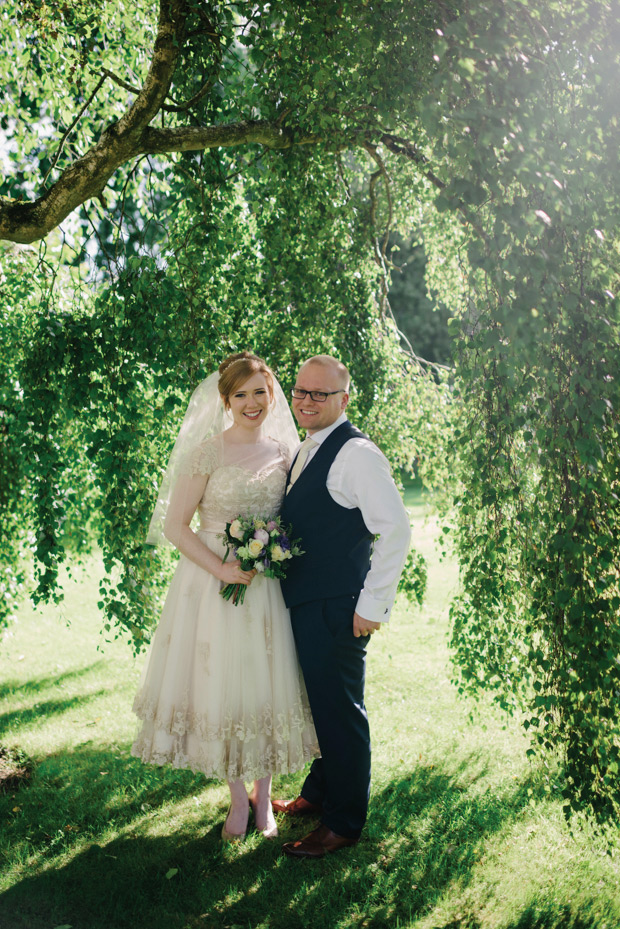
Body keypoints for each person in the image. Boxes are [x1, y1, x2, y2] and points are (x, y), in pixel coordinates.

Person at [131, 352, 318, 842]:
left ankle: (265, 797)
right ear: (225, 399)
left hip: (268, 587)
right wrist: (222, 568)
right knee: (222, 683)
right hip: (212, 584)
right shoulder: (206, 453)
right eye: (241, 394)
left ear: (271, 394)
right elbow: (175, 526)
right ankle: (238, 798)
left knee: (265, 681)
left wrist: (273, 552)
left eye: (260, 392)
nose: (252, 402)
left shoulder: (285, 452)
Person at [274, 354, 411, 858]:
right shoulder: (310, 446)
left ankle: (344, 823)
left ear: (344, 399)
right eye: (301, 391)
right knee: (322, 706)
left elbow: (395, 528)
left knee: (340, 713)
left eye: (320, 394)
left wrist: (372, 606)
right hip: (310, 601)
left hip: (338, 607)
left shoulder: (356, 454)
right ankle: (317, 794)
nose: (307, 401)